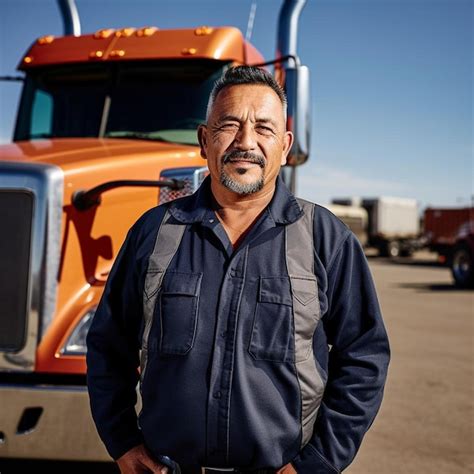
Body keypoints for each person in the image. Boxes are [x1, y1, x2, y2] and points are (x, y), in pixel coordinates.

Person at [86, 66, 390, 474]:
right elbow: (109, 345)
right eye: (229, 125)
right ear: (204, 140)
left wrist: (318, 463)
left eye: (264, 129)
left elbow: (364, 356)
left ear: (285, 147)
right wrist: (122, 442)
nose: (246, 142)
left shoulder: (325, 239)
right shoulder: (153, 233)